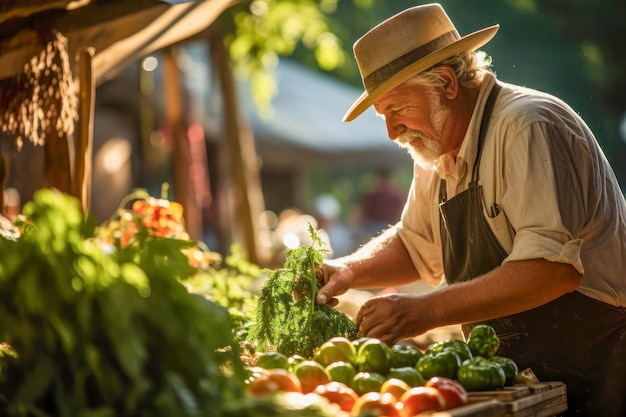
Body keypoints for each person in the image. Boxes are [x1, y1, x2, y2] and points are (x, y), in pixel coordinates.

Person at [314, 4, 626, 417]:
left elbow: (553, 269)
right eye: (383, 116)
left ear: (445, 82)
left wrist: (421, 310)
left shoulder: (527, 127)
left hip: (601, 370)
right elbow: (416, 243)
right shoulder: (434, 147)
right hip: (518, 378)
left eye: (396, 110)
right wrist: (350, 270)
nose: (392, 132)